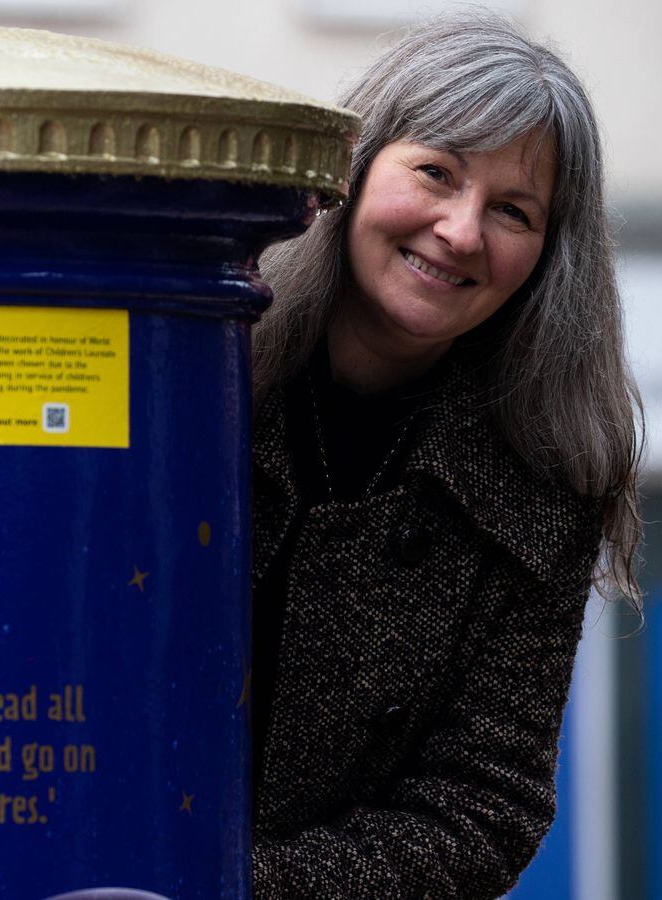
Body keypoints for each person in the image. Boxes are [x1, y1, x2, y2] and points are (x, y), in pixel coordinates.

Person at [248, 14, 642, 899]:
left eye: (512, 211)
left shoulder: (548, 473)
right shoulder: (198, 364)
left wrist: (235, 888)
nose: (461, 232)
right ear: (350, 170)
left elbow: (482, 807)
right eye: (436, 173)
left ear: (547, 258)